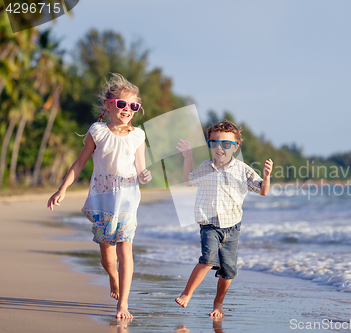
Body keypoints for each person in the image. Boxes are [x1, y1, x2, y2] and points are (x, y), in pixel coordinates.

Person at [47, 73, 152, 319]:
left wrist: (145, 176)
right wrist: (62, 189)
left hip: (127, 197)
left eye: (133, 106)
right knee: (107, 259)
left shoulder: (138, 135)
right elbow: (80, 162)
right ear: (108, 105)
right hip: (103, 197)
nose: (128, 109)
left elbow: (140, 168)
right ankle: (113, 277)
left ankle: (123, 303)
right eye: (122, 104)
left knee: (126, 250)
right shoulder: (98, 131)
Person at [174, 119, 273, 318]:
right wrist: (188, 157)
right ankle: (187, 293)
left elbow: (262, 191)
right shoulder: (206, 167)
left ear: (235, 147)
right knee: (207, 260)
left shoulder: (242, 169)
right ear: (209, 145)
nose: (220, 148)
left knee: (228, 271)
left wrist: (267, 176)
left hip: (232, 227)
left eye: (226, 144)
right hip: (209, 224)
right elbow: (188, 180)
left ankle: (218, 303)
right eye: (214, 143)